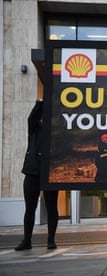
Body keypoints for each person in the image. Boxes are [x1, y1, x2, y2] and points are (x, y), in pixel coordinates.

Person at [15, 99, 59, 251]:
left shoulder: (55, 131)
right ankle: (27, 240)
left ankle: (51, 240)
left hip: (50, 173)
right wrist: (40, 104)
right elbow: (31, 118)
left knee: (52, 207)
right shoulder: (34, 129)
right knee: (30, 208)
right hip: (33, 172)